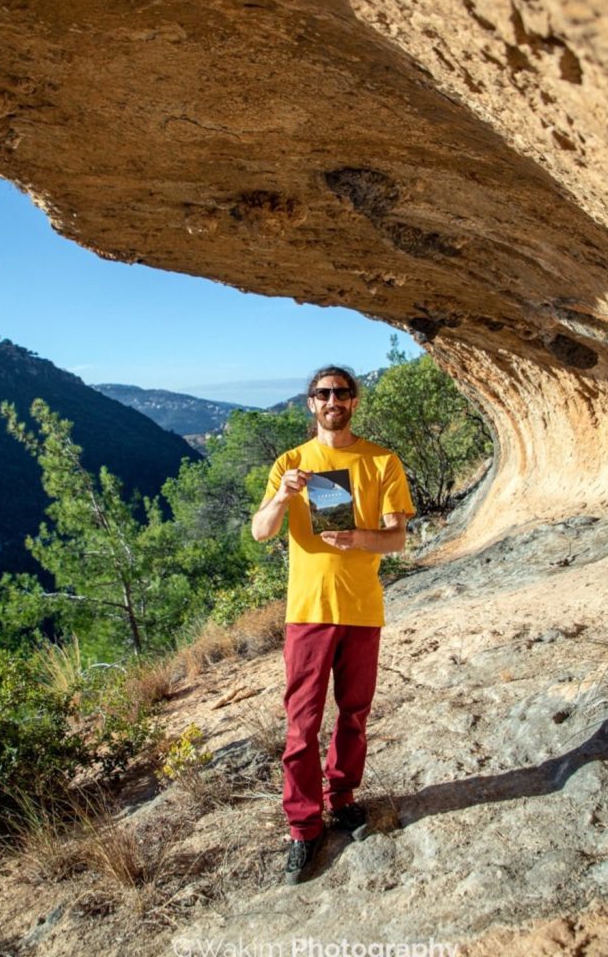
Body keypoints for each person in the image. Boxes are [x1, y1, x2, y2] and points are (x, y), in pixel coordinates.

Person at [251, 365, 415, 884]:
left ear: (354, 400)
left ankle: (341, 800)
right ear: (310, 403)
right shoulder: (291, 463)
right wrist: (283, 496)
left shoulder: (382, 461)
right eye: (322, 393)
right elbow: (260, 532)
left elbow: (396, 540)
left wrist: (360, 539)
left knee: (354, 714)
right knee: (301, 725)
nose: (332, 400)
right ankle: (303, 827)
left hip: (361, 609)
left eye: (341, 393)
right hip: (308, 611)